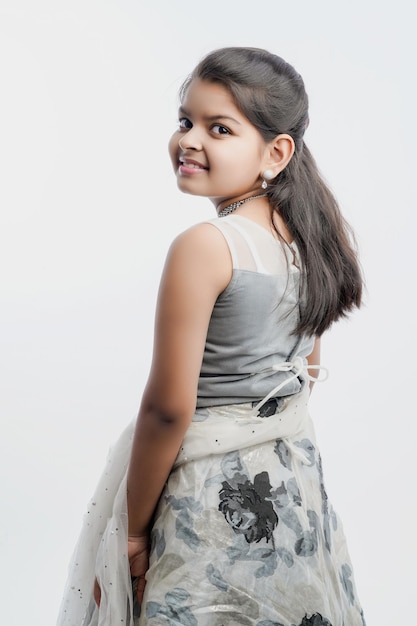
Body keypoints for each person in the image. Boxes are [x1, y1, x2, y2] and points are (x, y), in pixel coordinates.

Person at [57, 47, 366, 626]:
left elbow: (168, 410)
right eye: (184, 121)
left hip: (208, 496)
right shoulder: (308, 242)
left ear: (276, 152)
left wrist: (133, 532)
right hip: (290, 490)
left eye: (218, 128)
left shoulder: (208, 245)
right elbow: (307, 373)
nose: (189, 140)